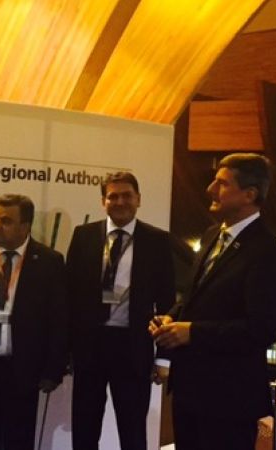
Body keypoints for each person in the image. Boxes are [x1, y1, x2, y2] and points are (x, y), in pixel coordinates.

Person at [150, 153, 276, 450]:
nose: (210, 189)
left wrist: (193, 332)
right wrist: (172, 318)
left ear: (249, 195)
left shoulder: (267, 251)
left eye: (222, 183)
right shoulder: (212, 235)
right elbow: (195, 296)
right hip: (190, 393)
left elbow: (262, 329)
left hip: (229, 401)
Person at [66, 171, 175, 450]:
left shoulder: (157, 240)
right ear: (103, 201)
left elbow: (167, 301)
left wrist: (164, 358)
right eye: (113, 196)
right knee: (84, 429)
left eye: (127, 195)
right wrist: (66, 350)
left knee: (133, 432)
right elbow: (70, 296)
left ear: (138, 199)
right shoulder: (83, 236)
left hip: (133, 348)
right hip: (89, 347)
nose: (120, 202)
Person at [0, 194, 67, 450]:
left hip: (22, 369)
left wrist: (53, 369)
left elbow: (58, 320)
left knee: (18, 440)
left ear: (25, 226)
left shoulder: (49, 261)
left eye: (6, 221)